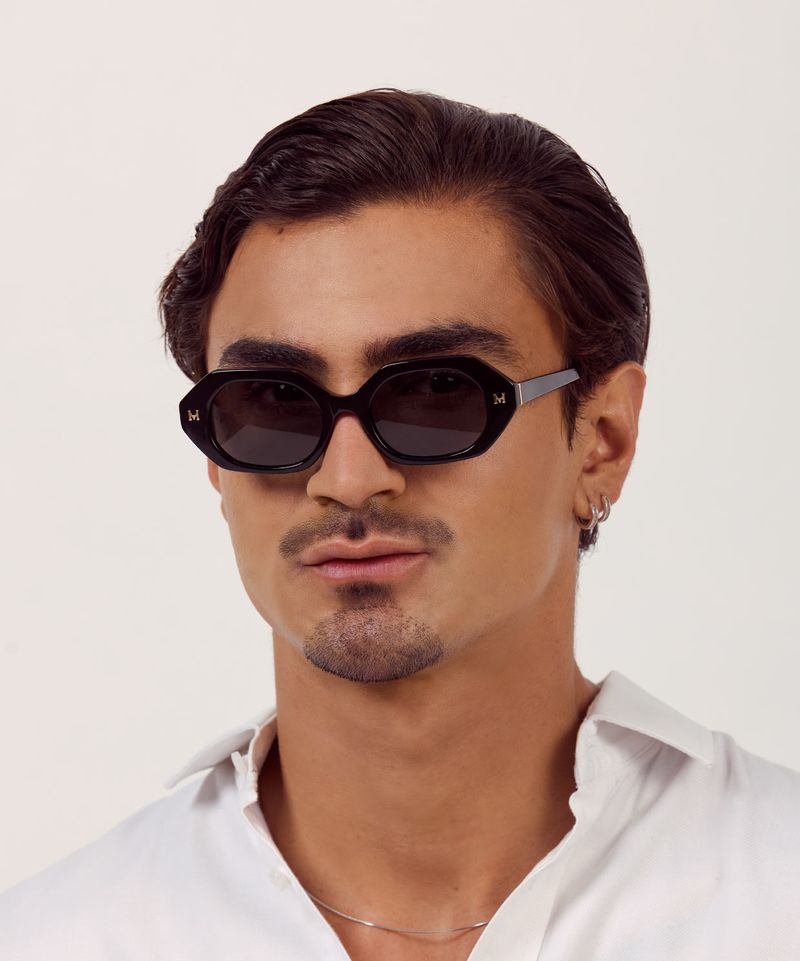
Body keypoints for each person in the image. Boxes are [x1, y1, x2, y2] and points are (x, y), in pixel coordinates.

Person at [1, 87, 798, 961]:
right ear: (218, 460)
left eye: (437, 393)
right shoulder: (58, 940)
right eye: (274, 403)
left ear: (602, 441)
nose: (348, 479)